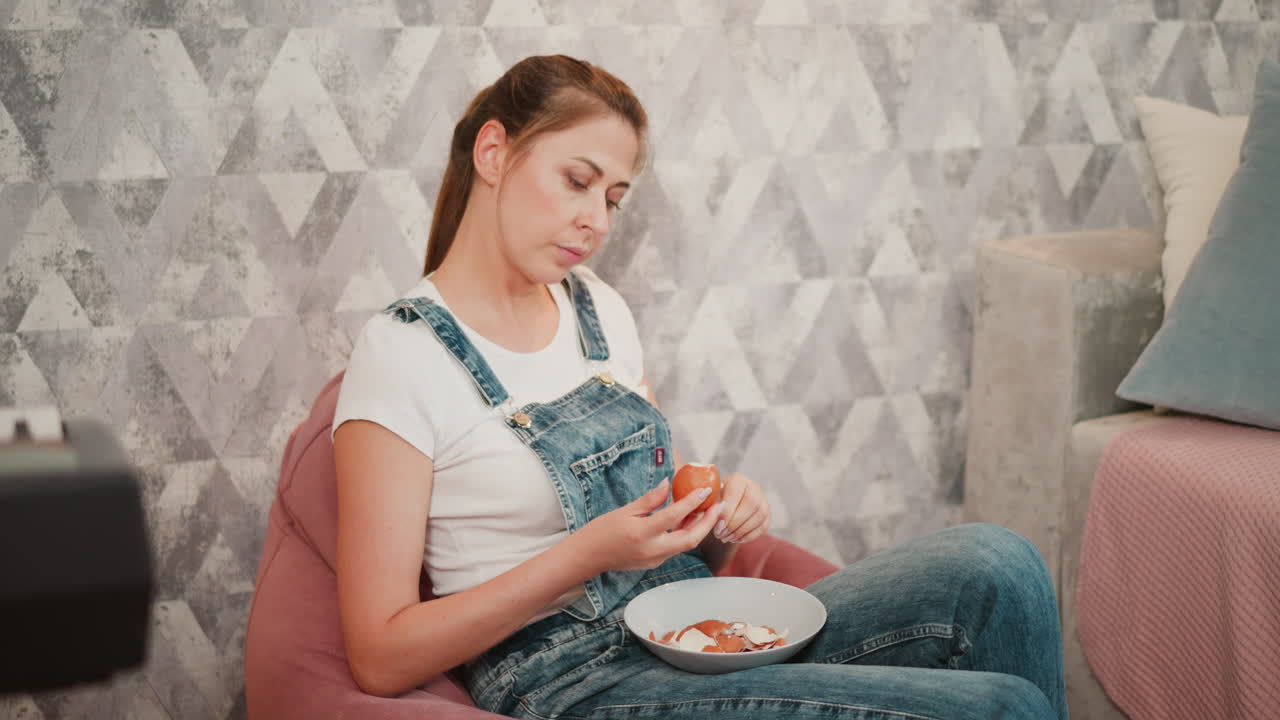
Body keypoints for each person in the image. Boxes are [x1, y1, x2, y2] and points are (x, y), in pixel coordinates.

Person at [331, 54, 1068, 720]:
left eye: (613, 198)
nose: (596, 221)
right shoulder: (402, 354)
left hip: (682, 622)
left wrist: (711, 516)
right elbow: (380, 654)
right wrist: (587, 554)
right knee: (1003, 707)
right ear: (493, 152)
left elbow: (652, 526)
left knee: (1002, 563)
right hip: (567, 679)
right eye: (577, 181)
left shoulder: (599, 310)